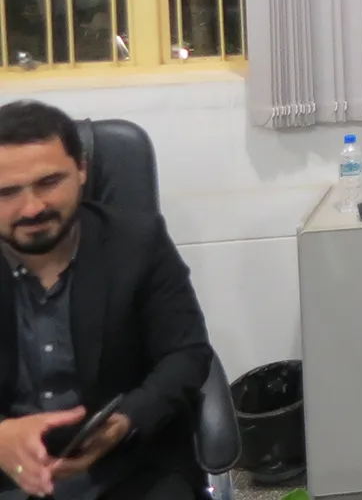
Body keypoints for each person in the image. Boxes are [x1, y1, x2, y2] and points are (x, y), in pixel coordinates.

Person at [0, 101, 212, 500]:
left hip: (128, 468)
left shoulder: (137, 242)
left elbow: (186, 354)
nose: (32, 208)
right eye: (7, 192)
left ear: (81, 169)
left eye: (49, 182)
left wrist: (125, 421)